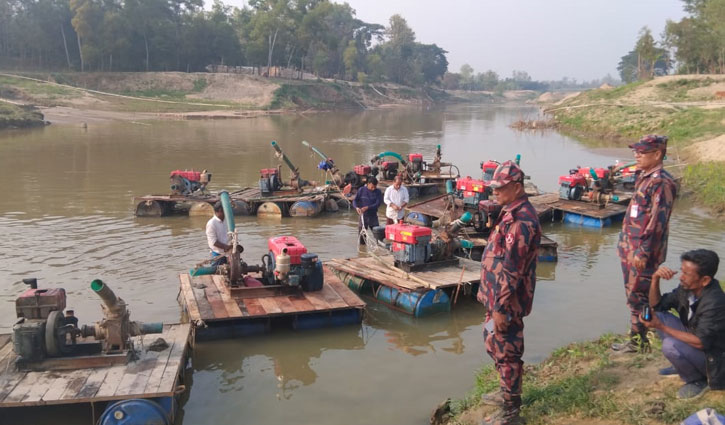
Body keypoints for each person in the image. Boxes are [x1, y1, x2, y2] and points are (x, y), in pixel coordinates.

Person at [476, 160, 541, 425]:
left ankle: (512, 411)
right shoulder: (509, 211)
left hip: (508, 301)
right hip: (497, 298)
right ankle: (506, 392)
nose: (495, 193)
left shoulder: (521, 220)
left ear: (516, 187)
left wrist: (501, 307)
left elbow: (513, 268)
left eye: (500, 189)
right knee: (495, 343)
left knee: (508, 351)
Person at [613, 134, 677, 353]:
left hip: (642, 252)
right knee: (633, 294)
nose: (636, 156)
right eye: (635, 152)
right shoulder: (645, 176)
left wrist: (643, 251)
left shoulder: (661, 182)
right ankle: (637, 337)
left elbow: (657, 220)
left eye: (641, 152)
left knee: (639, 295)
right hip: (630, 247)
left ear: (657, 154)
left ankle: (639, 342)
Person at [641, 249, 725, 399]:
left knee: (670, 345)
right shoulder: (687, 289)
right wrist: (655, 279)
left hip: (715, 359)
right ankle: (683, 363)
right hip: (697, 339)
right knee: (660, 315)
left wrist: (660, 326)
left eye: (687, 274)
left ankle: (697, 380)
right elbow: (658, 305)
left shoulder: (715, 302)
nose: (681, 277)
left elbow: (700, 342)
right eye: (682, 271)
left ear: (704, 280)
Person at [352, 176, 383, 243]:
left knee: (378, 235)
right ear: (368, 184)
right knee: (362, 237)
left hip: (373, 216)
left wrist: (368, 207)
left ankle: (380, 247)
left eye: (375, 187)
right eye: (372, 187)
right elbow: (355, 200)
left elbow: (377, 203)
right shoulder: (361, 190)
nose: (373, 188)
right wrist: (356, 207)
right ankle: (362, 250)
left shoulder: (378, 192)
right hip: (363, 216)